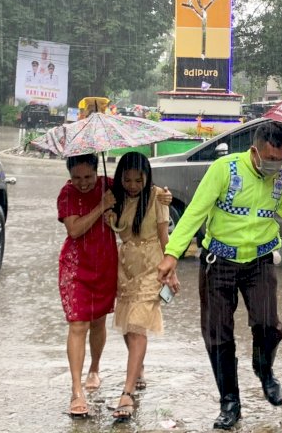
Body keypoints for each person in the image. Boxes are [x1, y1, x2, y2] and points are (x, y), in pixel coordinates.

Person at [156, 122, 282, 430]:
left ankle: (264, 369)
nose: (276, 165)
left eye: (281, 159)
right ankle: (230, 403)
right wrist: (172, 254)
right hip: (218, 261)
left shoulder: (280, 179)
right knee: (218, 335)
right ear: (255, 151)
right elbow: (194, 212)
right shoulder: (224, 169)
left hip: (260, 261)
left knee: (268, 325)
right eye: (271, 159)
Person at [105, 152, 175, 420]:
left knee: (136, 326)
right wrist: (106, 209)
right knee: (126, 325)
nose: (133, 185)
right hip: (125, 267)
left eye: (138, 180)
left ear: (147, 178)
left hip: (151, 266)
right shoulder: (115, 199)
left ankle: (127, 393)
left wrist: (171, 270)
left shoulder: (158, 196)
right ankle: (139, 369)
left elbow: (164, 235)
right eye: (128, 179)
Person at [56, 153, 117, 417]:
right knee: (78, 323)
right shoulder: (67, 194)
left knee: (98, 322)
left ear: (96, 171)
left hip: (104, 262)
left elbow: (140, 193)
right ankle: (76, 389)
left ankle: (94, 368)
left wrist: (163, 198)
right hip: (75, 265)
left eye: (89, 177)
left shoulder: (110, 185)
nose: (83, 183)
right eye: (77, 177)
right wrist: (101, 207)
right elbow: (74, 229)